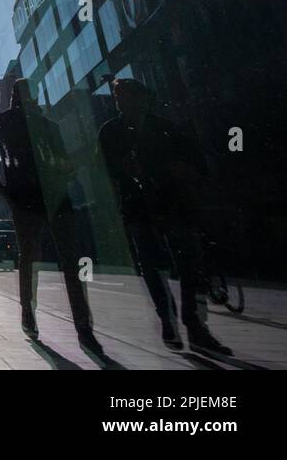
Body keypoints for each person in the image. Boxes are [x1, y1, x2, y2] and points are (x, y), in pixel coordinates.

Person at [97, 78, 231, 355]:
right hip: (139, 208)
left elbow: (196, 163)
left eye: (126, 96)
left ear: (143, 98)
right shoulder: (111, 131)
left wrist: (181, 175)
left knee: (189, 266)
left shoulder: (165, 128)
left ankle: (194, 325)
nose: (121, 102)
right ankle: (168, 319)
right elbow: (113, 171)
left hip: (173, 206)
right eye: (117, 97)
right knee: (152, 267)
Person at [0, 78, 101, 354]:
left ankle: (45, 317)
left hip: (38, 197)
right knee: (54, 260)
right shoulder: (27, 124)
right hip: (34, 197)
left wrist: (0, 189)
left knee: (35, 258)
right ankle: (75, 325)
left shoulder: (28, 124)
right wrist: (0, 190)